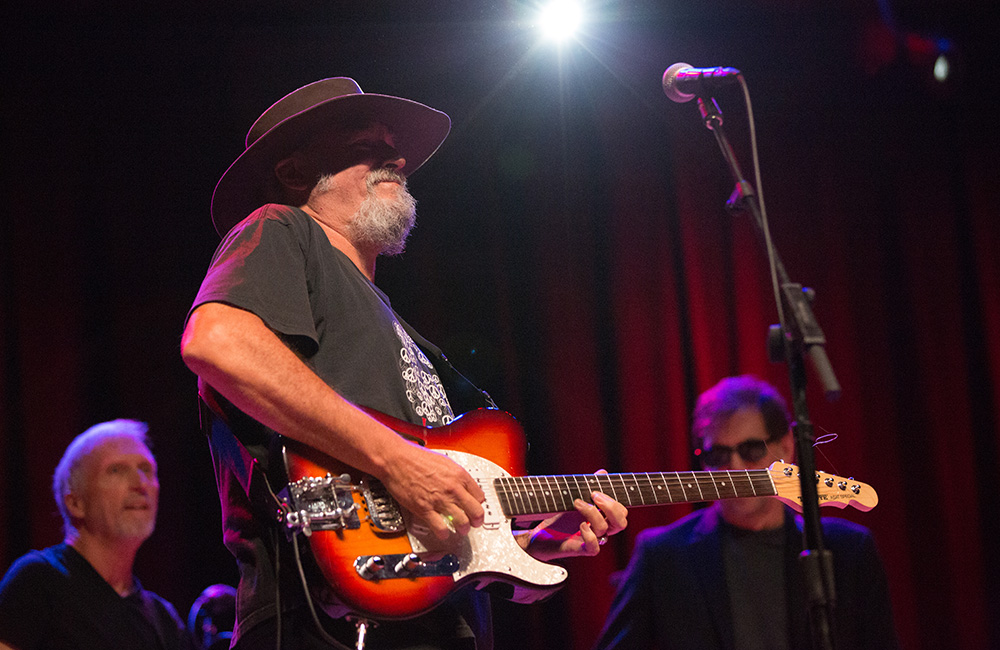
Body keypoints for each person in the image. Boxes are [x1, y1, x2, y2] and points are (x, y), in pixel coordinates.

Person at [180, 77, 628, 650]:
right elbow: (216, 341)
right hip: (327, 624)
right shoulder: (279, 228)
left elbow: (432, 527)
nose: (397, 158)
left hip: (429, 623)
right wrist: (400, 462)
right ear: (295, 175)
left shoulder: (403, 334)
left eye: (395, 148)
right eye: (365, 146)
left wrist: (530, 544)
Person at [593, 375, 898, 650]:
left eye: (751, 450)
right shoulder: (661, 555)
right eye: (718, 454)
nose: (735, 467)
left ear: (786, 448)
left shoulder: (849, 549)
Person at [0, 419, 192, 650]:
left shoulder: (163, 620)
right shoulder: (37, 582)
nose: (140, 484)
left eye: (146, 469)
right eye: (116, 470)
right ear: (76, 503)